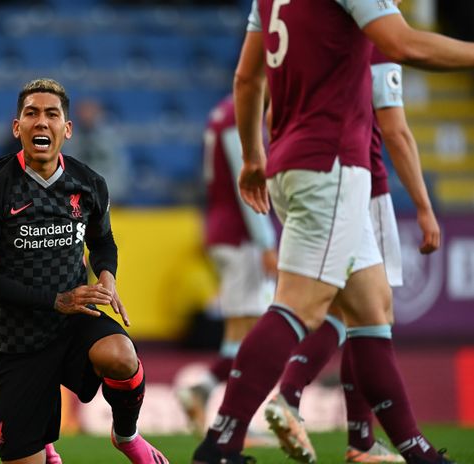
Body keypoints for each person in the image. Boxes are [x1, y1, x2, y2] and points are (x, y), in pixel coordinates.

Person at [193, 1, 474, 463]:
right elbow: (402, 43)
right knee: (299, 306)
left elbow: (247, 78)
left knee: (371, 307)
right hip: (332, 164)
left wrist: (252, 157)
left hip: (292, 161)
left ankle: (411, 450)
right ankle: (222, 442)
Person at [0, 78, 169, 464]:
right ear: (17, 127)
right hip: (15, 340)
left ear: (67, 129)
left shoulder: (88, 183)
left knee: (121, 355)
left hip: (73, 325)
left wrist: (106, 276)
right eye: (31, 114)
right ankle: (44, 445)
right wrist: (58, 300)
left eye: (51, 114)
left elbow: (103, 242)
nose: (42, 122)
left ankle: (126, 436)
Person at [262, 44, 442, 464]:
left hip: (304, 178)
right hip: (363, 186)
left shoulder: (320, 42)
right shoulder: (374, 40)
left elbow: (272, 115)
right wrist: (424, 205)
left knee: (345, 314)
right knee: (366, 318)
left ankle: (357, 439)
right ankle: (299, 401)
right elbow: (396, 131)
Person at [176, 94, 278, 444]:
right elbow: (246, 181)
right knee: (252, 334)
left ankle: (206, 393)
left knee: (240, 333)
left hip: (222, 230)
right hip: (240, 237)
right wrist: (266, 241)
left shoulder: (221, 110)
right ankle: (234, 424)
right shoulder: (240, 114)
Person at [61, 98, 133, 204]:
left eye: (90, 112)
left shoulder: (111, 137)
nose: (86, 116)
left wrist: (112, 192)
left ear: (98, 113)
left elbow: (121, 166)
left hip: (110, 192)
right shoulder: (69, 138)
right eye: (83, 112)